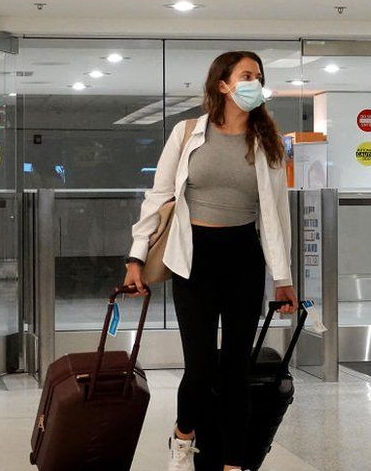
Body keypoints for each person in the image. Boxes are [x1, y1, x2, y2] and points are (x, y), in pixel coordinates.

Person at [124, 51, 296, 471]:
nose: (254, 82)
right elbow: (159, 195)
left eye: (258, 76)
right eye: (246, 75)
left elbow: (276, 214)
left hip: (243, 256)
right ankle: (184, 439)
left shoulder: (268, 142)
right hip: (193, 256)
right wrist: (136, 256)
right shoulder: (187, 134)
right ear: (223, 84)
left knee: (237, 368)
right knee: (200, 366)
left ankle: (234, 462)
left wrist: (283, 278)